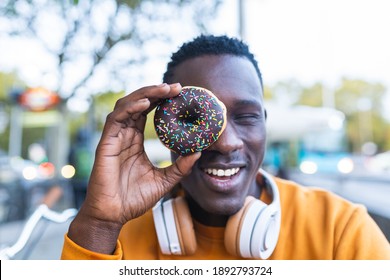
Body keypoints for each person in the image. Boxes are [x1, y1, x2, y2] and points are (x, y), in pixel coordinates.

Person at [61, 35, 390, 260]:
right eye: (197, 119)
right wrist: (100, 224)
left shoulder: (340, 230)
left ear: (265, 123)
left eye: (246, 117)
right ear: (166, 131)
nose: (227, 141)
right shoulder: (114, 236)